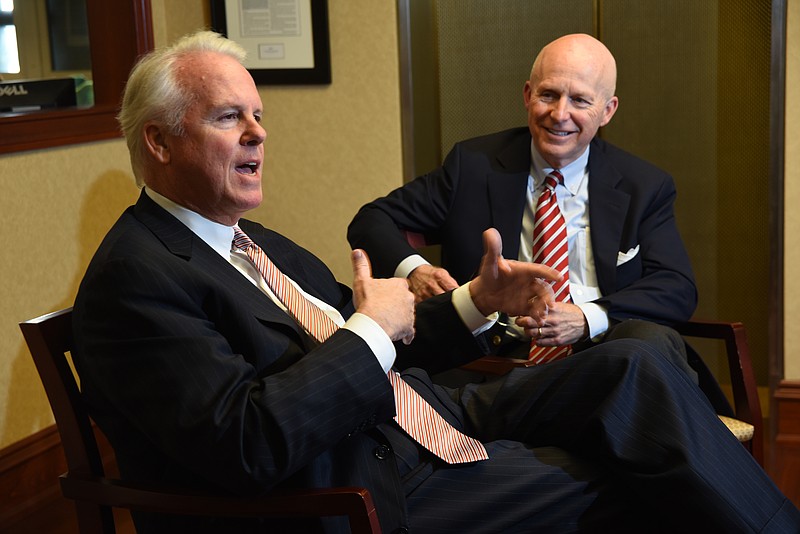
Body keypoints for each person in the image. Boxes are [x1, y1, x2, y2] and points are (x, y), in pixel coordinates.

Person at [71, 30, 799, 533]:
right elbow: (248, 443)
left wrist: (477, 301)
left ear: (607, 112)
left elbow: (390, 353)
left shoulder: (258, 245)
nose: (261, 134)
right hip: (362, 491)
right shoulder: (135, 279)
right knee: (634, 473)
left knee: (637, 362)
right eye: (231, 118)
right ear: (159, 141)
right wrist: (367, 331)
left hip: (420, 419)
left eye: (259, 115)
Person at [346, 33, 719, 399]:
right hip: (489, 367)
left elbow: (676, 287)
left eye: (580, 100)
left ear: (607, 111)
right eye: (548, 95)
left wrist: (586, 317)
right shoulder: (473, 166)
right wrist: (416, 271)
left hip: (600, 361)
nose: (560, 115)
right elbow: (371, 220)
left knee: (649, 346)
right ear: (528, 95)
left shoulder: (644, 185)